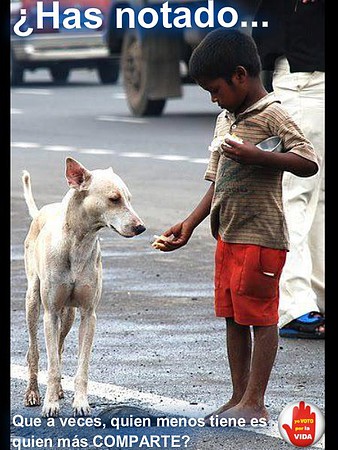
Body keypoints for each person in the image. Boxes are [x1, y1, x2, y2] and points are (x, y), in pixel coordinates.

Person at [153, 29, 319, 424]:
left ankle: (256, 401)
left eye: (215, 89)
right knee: (233, 316)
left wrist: (258, 157)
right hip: (228, 234)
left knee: (260, 318)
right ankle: (238, 395)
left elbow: (308, 160)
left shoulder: (273, 113)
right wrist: (190, 224)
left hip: (262, 238)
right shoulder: (226, 118)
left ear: (240, 76)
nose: (213, 98)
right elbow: (218, 178)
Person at [252, 0, 325, 339]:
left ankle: (314, 297)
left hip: (312, 72)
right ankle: (295, 306)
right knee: (299, 193)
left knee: (319, 197)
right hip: (304, 79)